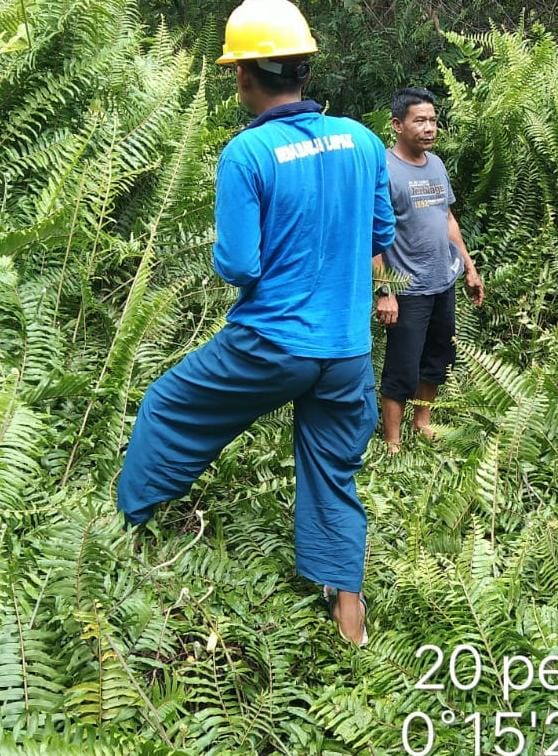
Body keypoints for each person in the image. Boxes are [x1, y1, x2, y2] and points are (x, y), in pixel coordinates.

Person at [116, 0, 395, 645]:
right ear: (302, 66)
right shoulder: (362, 140)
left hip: (271, 341)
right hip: (347, 350)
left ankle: (121, 533)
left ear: (243, 74)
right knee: (331, 467)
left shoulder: (247, 153)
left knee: (168, 407)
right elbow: (382, 233)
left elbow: (238, 264)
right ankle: (349, 616)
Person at [374, 87, 484, 453]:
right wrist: (384, 290)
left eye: (433, 120)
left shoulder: (435, 164)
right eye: (419, 120)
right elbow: (372, 236)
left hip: (442, 281)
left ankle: (423, 423)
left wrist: (468, 267)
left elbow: (447, 218)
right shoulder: (385, 171)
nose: (429, 128)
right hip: (407, 288)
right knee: (402, 365)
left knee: (437, 357)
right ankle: (392, 441)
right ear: (397, 125)